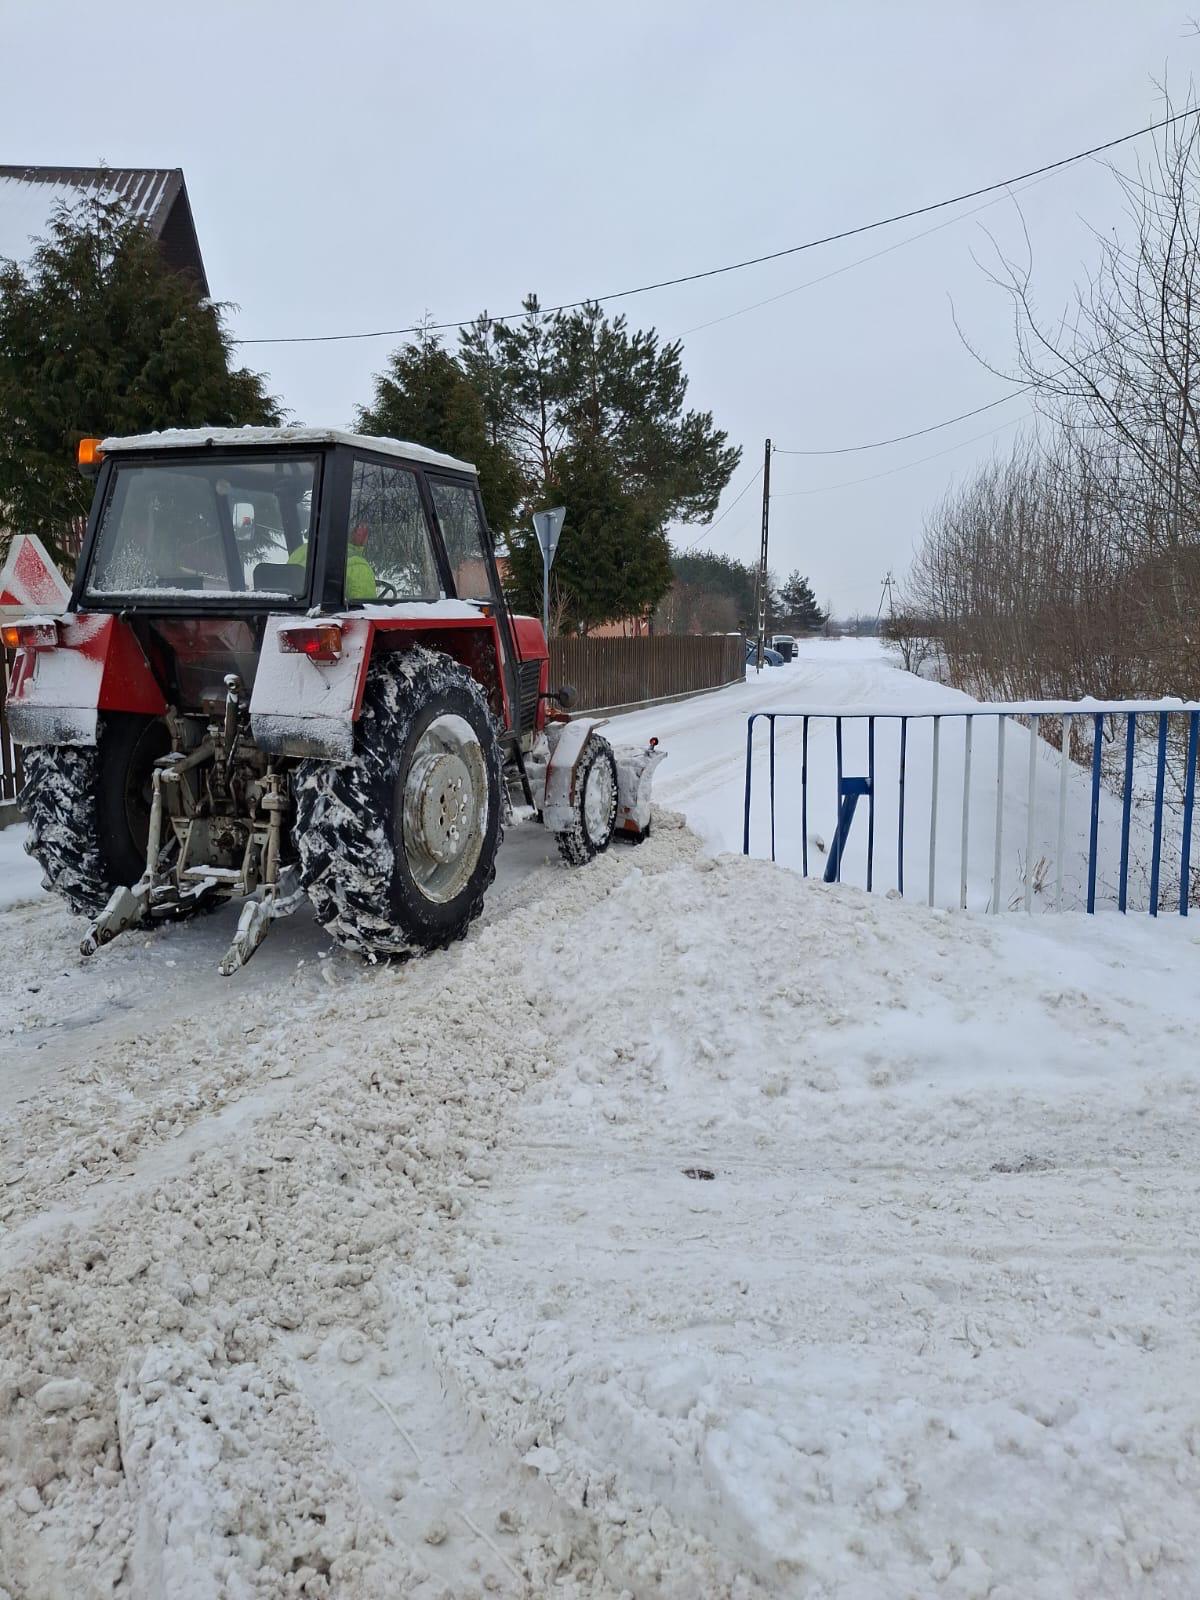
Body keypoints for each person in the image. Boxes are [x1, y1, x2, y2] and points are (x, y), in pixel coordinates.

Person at [288, 520, 378, 601]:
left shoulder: (299, 552)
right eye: (363, 527)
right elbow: (366, 608)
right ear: (359, 533)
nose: (366, 534)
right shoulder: (358, 566)